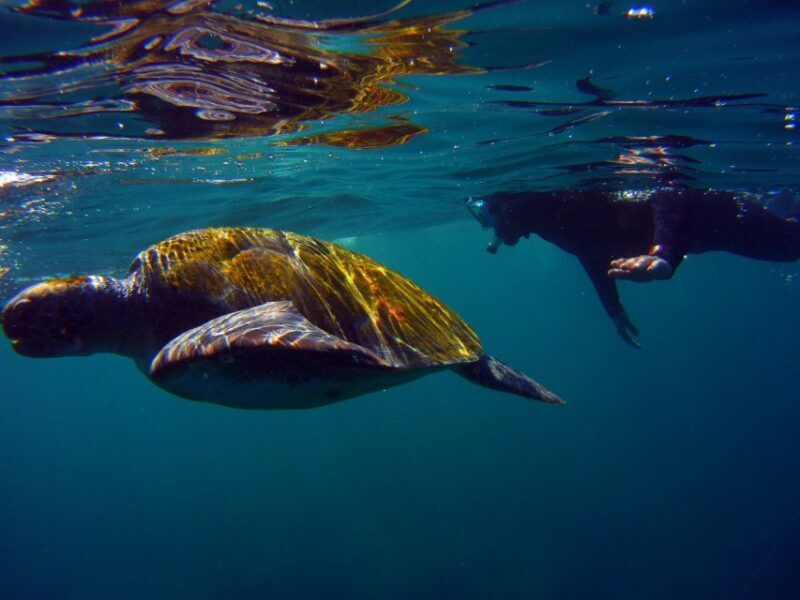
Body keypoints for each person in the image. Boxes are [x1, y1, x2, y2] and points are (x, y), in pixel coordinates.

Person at [468, 188, 800, 348]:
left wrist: (664, 256)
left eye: (492, 214)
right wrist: (614, 309)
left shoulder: (570, 202)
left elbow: (672, 198)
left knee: (790, 246)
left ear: (513, 206)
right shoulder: (550, 222)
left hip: (716, 219)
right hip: (700, 237)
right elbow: (591, 252)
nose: (490, 228)